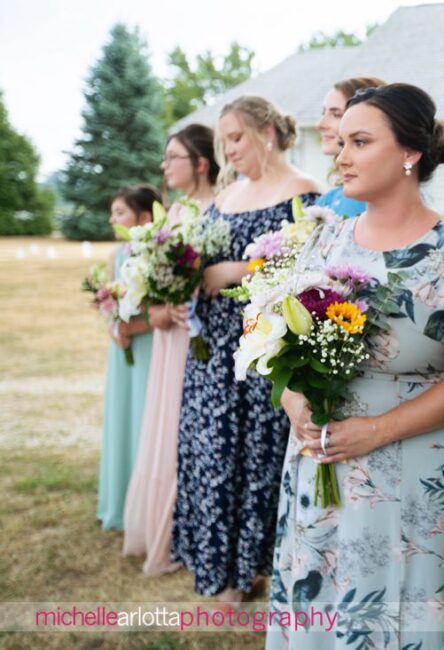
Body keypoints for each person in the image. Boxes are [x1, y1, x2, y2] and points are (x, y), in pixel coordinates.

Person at [266, 83, 444, 649]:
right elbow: (278, 342)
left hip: (415, 472)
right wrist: (294, 401)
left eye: (359, 142)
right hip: (322, 462)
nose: (340, 156)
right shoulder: (323, 240)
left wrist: (378, 430)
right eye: (340, 142)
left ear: (410, 152)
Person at [170, 96, 320, 601]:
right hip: (211, 347)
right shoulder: (228, 196)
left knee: (254, 458)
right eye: (223, 141)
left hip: (262, 344)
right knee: (211, 452)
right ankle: (216, 565)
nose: (228, 150)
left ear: (267, 133)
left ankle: (250, 572)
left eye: (235, 138)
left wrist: (238, 270)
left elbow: (310, 269)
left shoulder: (302, 191)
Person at [122, 124, 219, 576]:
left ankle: (197, 528)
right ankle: (166, 527)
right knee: (165, 424)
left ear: (200, 161)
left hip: (202, 336)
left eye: (173, 157)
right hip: (170, 333)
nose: (164, 167)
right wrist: (157, 307)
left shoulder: (223, 209)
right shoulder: (173, 214)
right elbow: (146, 277)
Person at [97, 185, 161, 530]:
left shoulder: (157, 254)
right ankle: (118, 501)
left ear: (145, 217)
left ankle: (145, 505)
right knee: (122, 417)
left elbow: (167, 308)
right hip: (122, 350)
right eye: (113, 212)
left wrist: (134, 327)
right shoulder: (116, 256)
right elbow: (106, 301)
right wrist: (113, 326)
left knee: (143, 419)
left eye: (120, 212)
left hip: (150, 346)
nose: (113, 219)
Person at [314, 76, 385, 217]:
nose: (320, 124)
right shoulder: (329, 199)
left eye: (336, 114)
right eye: (323, 112)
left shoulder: (368, 197)